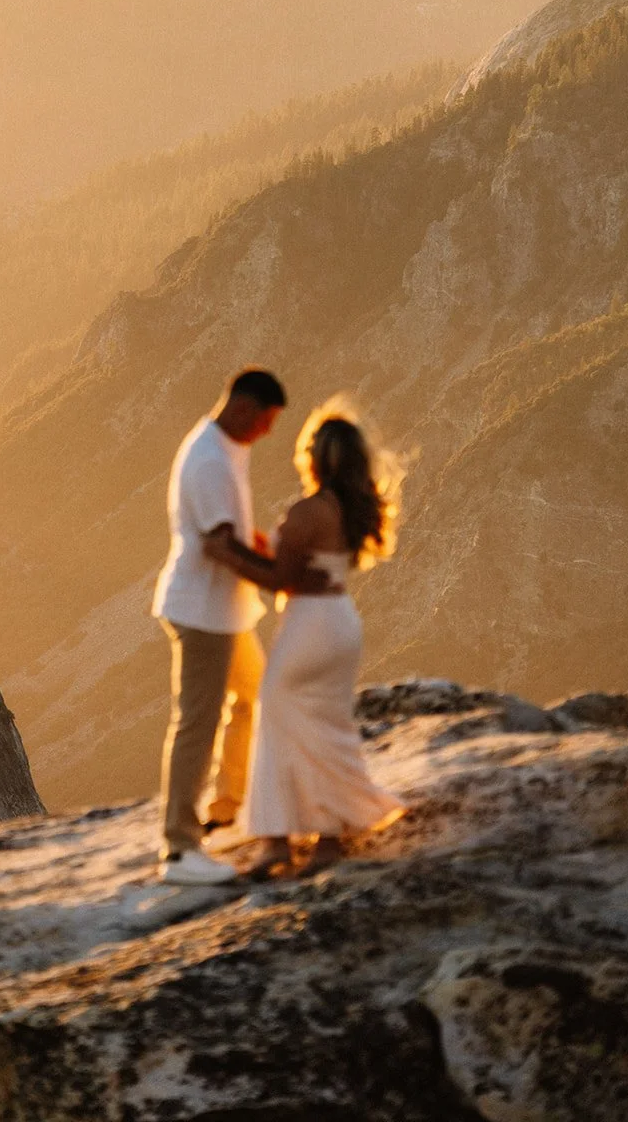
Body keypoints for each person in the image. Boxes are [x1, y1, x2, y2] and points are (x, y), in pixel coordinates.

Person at [205, 402, 406, 879]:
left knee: (275, 715)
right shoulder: (347, 509)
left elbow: (280, 579)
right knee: (324, 725)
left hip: (309, 625)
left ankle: (276, 842)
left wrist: (226, 553)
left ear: (316, 456)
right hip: (340, 622)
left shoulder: (307, 510)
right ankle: (328, 838)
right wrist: (261, 547)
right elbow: (306, 562)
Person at [152, 367, 288, 884]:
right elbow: (218, 545)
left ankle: (228, 807)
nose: (266, 434)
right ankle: (180, 849)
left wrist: (265, 547)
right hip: (202, 613)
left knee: (254, 696)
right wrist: (278, 577)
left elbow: (231, 528)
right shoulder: (209, 460)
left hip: (227, 612)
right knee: (197, 723)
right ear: (243, 409)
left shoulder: (226, 445)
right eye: (265, 422)